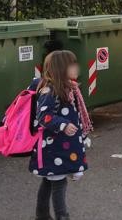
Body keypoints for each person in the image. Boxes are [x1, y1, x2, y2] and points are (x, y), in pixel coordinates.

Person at [30, 50, 93, 220]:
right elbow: (43, 116)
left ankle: (42, 215)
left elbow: (74, 115)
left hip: (59, 146)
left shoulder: (67, 88)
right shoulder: (50, 90)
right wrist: (63, 124)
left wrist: (82, 135)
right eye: (72, 65)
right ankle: (61, 216)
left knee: (49, 181)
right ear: (61, 68)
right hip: (53, 147)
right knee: (58, 183)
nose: (76, 68)